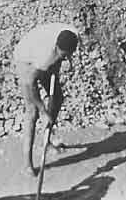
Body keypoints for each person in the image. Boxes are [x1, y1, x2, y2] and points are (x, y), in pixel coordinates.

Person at [13, 22, 79, 176]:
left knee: (57, 97)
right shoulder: (45, 56)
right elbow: (30, 82)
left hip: (42, 49)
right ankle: (27, 164)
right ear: (56, 48)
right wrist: (43, 111)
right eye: (63, 56)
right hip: (25, 59)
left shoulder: (74, 35)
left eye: (69, 55)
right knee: (32, 113)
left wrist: (60, 62)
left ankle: (46, 141)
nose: (67, 58)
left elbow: (63, 54)